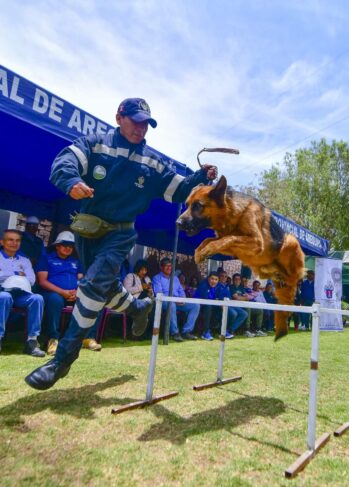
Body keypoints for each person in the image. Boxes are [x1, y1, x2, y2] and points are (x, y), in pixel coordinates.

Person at [25, 97, 216, 390]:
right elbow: (65, 161)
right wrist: (71, 181)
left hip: (121, 233)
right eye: (136, 121)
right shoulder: (95, 144)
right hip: (87, 230)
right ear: (119, 117)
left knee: (91, 286)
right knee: (102, 286)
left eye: (146, 124)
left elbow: (178, 191)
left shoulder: (152, 162)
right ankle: (138, 309)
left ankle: (60, 361)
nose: (141, 129)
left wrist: (200, 178)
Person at [0, 229, 45, 359]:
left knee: (37, 298)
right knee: (5, 296)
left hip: (19, 293)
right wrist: (18, 274)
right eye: (10, 239)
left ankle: (32, 342)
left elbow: (31, 280)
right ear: (2, 242)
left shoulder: (24, 260)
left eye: (17, 240)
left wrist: (3, 272)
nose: (14, 243)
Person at [36, 231, 92, 355]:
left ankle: (86, 338)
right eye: (65, 245)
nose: (68, 248)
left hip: (73, 294)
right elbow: (42, 281)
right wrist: (62, 292)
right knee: (55, 300)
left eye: (71, 246)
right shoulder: (47, 258)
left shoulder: (76, 262)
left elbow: (81, 279)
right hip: (52, 293)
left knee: (92, 302)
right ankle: (53, 339)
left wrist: (77, 292)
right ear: (57, 246)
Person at [152, 257, 201, 341]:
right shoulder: (157, 278)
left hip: (178, 302)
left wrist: (182, 299)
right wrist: (174, 300)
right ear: (161, 267)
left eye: (170, 266)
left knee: (195, 305)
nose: (169, 268)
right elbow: (159, 293)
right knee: (172, 305)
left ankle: (186, 331)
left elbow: (181, 291)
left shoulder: (175, 278)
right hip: (164, 302)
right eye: (166, 266)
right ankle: (175, 332)